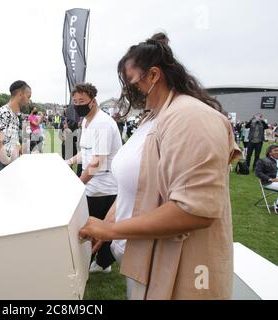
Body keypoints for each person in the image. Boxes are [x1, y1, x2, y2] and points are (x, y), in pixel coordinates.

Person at [79, 32, 241, 299]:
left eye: (131, 80)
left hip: (178, 273)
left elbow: (194, 210)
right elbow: (138, 186)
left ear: (154, 75)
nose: (127, 89)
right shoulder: (152, 119)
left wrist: (112, 229)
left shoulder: (191, 117)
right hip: (141, 263)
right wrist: (109, 224)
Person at [66, 83, 122, 274]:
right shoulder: (85, 121)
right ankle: (95, 261)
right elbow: (86, 152)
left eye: (82, 101)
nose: (78, 105)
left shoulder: (103, 124)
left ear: (93, 101)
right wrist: (69, 161)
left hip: (104, 187)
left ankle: (102, 263)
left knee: (97, 228)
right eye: (75, 101)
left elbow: (97, 161)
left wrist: (78, 182)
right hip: (92, 185)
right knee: (89, 227)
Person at [0, 81, 31, 184]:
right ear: (20, 95)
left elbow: (10, 144)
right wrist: (11, 165)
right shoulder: (5, 112)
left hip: (4, 168)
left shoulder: (15, 116)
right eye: (28, 96)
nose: (29, 101)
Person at [255, 144, 278, 213]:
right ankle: (277, 205)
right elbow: (258, 173)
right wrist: (270, 179)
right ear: (270, 152)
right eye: (276, 150)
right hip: (269, 182)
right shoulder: (262, 160)